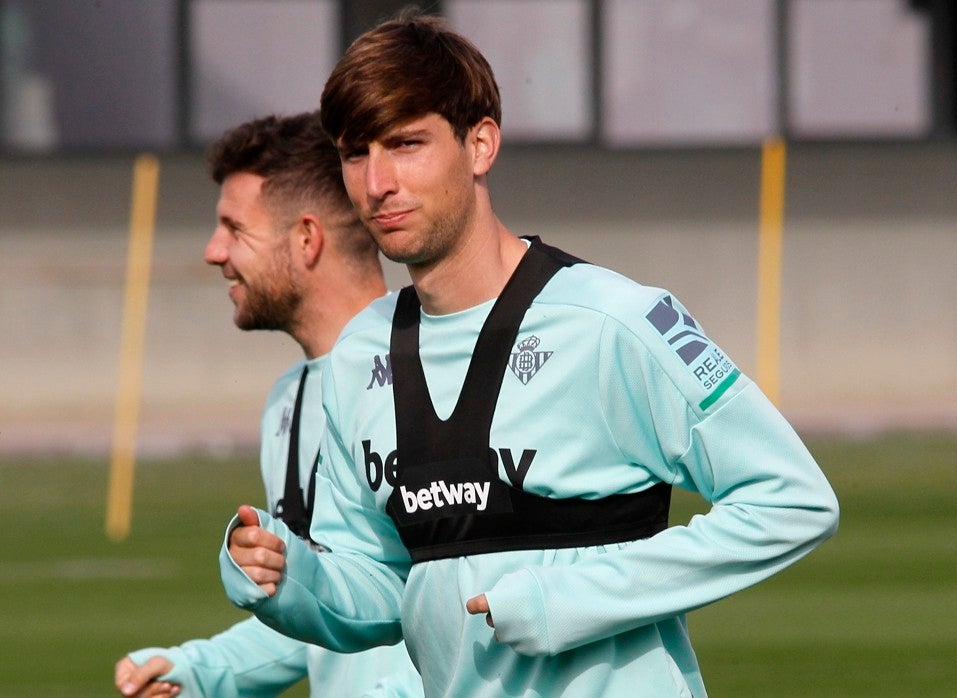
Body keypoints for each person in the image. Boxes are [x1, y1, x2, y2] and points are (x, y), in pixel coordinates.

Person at [218, 11, 839, 697]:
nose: (377, 182)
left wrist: (569, 600)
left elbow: (792, 500)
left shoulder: (612, 320)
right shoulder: (360, 354)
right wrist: (291, 580)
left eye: (406, 144)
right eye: (355, 154)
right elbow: (384, 584)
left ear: (481, 144)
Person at [114, 112, 423, 697]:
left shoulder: (431, 374)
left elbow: (460, 592)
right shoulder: (287, 399)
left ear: (307, 238)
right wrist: (201, 671)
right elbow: (327, 606)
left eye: (234, 228)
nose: (213, 251)